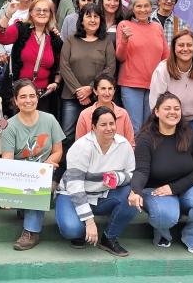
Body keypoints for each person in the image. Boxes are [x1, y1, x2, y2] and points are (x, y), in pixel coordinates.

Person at [128, 92, 193, 254]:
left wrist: (174, 188)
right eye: (167, 108)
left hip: (186, 187)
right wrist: (136, 190)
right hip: (156, 190)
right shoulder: (145, 138)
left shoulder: (191, 136)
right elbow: (141, 170)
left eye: (177, 108)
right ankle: (162, 232)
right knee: (165, 215)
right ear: (156, 112)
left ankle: (192, 237)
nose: (173, 112)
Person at [56, 106, 136, 257]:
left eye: (112, 124)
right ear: (93, 127)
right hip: (72, 195)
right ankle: (79, 228)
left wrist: (118, 177)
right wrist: (89, 221)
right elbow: (75, 187)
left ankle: (109, 238)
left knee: (132, 198)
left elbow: (132, 173)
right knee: (72, 229)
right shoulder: (81, 147)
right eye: (103, 124)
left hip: (102, 195)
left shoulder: (124, 145)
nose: (109, 128)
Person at [2, 79, 65, 251]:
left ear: (37, 98)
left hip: (44, 173)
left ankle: (31, 232)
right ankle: (22, 207)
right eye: (23, 97)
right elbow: (7, 160)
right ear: (15, 101)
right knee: (31, 186)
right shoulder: (10, 127)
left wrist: (50, 162)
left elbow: (58, 151)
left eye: (32, 96)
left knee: (39, 184)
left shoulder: (50, 120)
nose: (28, 100)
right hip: (20, 176)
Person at [0, 0, 63, 114]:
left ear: (50, 14)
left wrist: (56, 83)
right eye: (38, 10)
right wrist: (8, 14)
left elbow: (59, 66)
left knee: (41, 132)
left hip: (43, 96)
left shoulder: (54, 38)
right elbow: (1, 36)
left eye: (45, 10)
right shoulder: (21, 28)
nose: (42, 13)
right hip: (20, 95)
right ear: (31, 12)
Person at [60, 3, 115, 147]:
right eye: (88, 16)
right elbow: (64, 66)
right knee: (68, 135)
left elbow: (110, 68)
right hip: (71, 96)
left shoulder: (106, 41)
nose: (92, 20)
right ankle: (70, 169)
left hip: (97, 97)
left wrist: (90, 88)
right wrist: (79, 91)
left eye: (96, 16)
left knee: (95, 134)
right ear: (81, 20)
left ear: (100, 20)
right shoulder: (71, 40)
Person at [116, 0, 169, 133]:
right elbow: (120, 57)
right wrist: (125, 40)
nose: (143, 9)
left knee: (151, 127)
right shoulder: (124, 25)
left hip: (155, 84)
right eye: (138, 6)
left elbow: (166, 57)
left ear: (151, 7)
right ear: (132, 8)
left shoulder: (157, 27)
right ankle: (135, 156)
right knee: (135, 127)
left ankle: (147, 155)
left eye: (146, 6)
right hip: (131, 84)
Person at [149, 30, 193, 137]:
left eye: (189, 45)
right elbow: (155, 102)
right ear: (174, 48)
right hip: (170, 120)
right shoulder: (163, 69)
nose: (185, 49)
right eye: (181, 45)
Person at [76, 74, 135, 146]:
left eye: (110, 88)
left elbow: (130, 144)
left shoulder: (123, 114)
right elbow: (79, 145)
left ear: (114, 91)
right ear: (95, 91)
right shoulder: (85, 115)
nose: (107, 93)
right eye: (103, 88)